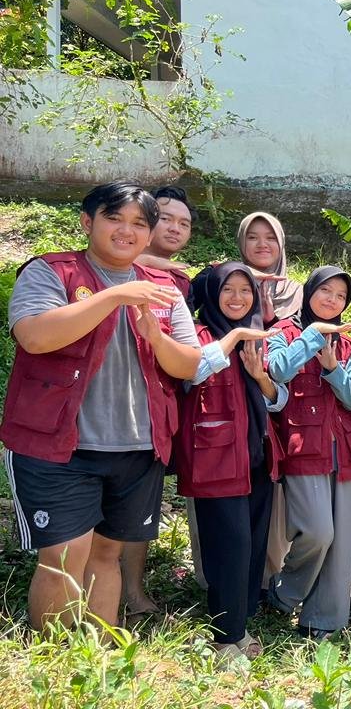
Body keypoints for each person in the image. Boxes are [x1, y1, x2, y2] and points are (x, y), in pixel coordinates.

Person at [2, 181, 201, 630]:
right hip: (58, 446)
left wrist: (156, 337)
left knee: (107, 554)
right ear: (88, 222)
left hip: (135, 446)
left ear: (149, 235)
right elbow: (34, 336)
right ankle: (52, 662)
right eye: (115, 218)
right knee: (63, 555)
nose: (126, 231)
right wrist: (113, 296)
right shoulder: (52, 273)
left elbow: (188, 364)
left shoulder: (162, 287)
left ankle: (98, 656)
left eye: (138, 223)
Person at [173, 262, 284, 660]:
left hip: (257, 456)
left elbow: (278, 400)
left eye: (246, 290)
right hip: (214, 459)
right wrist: (232, 338)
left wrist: (260, 377)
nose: (238, 298)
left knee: (253, 545)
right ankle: (225, 637)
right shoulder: (198, 335)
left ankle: (241, 623)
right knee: (230, 546)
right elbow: (188, 375)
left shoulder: (259, 339)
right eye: (228, 290)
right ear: (212, 295)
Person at [264, 266, 351, 640]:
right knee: (318, 532)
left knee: (338, 545)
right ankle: (285, 593)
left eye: (340, 295)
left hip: (343, 450)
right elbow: (276, 371)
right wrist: (310, 338)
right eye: (326, 291)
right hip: (302, 447)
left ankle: (323, 620)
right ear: (309, 292)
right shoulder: (283, 331)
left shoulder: (346, 342)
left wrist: (334, 368)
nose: (332, 300)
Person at [121, 184, 198, 622]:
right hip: (98, 409)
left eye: (184, 223)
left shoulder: (180, 282)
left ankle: (132, 591)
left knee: (140, 508)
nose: (174, 227)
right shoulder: (104, 269)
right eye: (165, 217)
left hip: (157, 405)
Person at [236, 211, 305, 586]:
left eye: (270, 238)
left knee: (274, 492)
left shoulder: (298, 292)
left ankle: (268, 576)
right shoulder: (224, 283)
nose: (262, 245)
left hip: (282, 401)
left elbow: (296, 339)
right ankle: (219, 575)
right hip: (232, 396)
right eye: (253, 237)